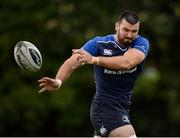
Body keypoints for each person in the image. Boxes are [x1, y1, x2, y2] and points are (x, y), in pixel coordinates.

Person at [38, 10, 149, 137]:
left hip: (123, 107)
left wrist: (94, 59)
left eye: (134, 31)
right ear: (117, 26)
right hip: (104, 108)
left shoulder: (141, 43)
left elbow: (127, 62)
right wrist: (58, 81)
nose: (129, 35)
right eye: (126, 30)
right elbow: (72, 62)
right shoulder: (98, 44)